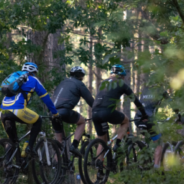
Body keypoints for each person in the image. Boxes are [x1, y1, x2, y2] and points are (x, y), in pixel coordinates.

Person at [92, 64, 148, 176]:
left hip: (95, 113)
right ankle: (117, 144)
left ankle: (99, 169)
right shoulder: (121, 83)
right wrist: (144, 115)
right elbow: (136, 101)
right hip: (107, 112)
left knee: (102, 141)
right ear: (122, 75)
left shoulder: (103, 82)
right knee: (126, 121)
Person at [0, 62, 59, 155]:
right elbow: (46, 98)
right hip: (17, 110)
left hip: (2, 112)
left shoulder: (13, 80)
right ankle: (29, 148)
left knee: (13, 142)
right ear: (34, 72)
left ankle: (10, 165)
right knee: (38, 120)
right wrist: (55, 113)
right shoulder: (34, 80)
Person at [51, 66, 94, 157]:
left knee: (59, 141)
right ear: (80, 76)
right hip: (64, 111)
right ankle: (74, 146)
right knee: (82, 121)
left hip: (53, 112)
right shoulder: (79, 84)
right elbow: (90, 100)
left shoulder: (63, 82)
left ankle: (57, 167)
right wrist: (97, 110)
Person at [134, 74, 169, 169]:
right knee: (158, 143)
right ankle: (156, 168)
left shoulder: (145, 89)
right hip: (149, 120)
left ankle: (143, 159)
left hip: (137, 119)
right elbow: (170, 103)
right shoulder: (160, 90)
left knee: (149, 137)